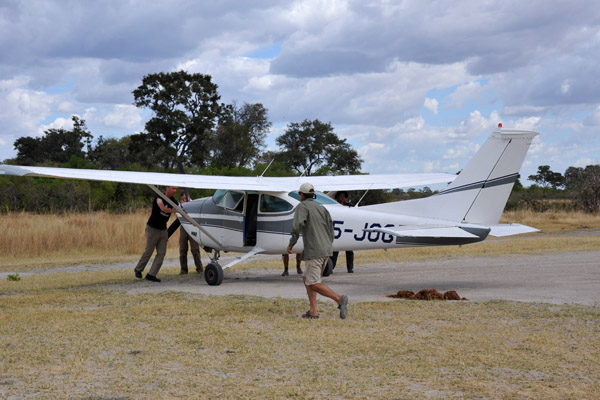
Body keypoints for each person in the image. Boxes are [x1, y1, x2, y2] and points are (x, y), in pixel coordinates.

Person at [287, 182, 348, 319]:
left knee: (313, 283)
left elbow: (297, 227)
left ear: (301, 195)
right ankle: (313, 312)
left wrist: (291, 243)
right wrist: (327, 245)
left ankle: (339, 299)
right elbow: (331, 230)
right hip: (325, 249)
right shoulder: (322, 208)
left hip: (314, 250)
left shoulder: (302, 207)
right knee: (306, 278)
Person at [134, 186, 178, 283]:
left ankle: (151, 274)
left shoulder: (174, 201)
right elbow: (162, 208)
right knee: (149, 251)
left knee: (161, 253)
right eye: (173, 188)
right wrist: (175, 210)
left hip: (163, 230)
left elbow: (180, 212)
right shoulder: (159, 196)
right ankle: (138, 269)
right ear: (167, 188)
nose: (175, 191)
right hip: (152, 228)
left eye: (176, 189)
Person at [179, 191, 203, 275]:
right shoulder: (180, 205)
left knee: (195, 249)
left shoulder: (195, 204)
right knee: (182, 249)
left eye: (185, 198)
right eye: (183, 199)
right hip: (183, 226)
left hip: (193, 227)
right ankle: (183, 270)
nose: (184, 200)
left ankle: (199, 268)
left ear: (188, 196)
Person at [330, 191, 355, 273]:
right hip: (337, 230)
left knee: (349, 250)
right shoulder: (333, 206)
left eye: (344, 196)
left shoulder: (349, 206)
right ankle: (331, 267)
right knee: (335, 250)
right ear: (336, 197)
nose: (342, 198)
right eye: (340, 196)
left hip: (347, 230)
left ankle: (350, 267)